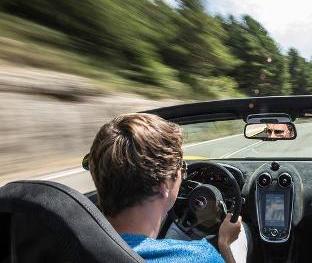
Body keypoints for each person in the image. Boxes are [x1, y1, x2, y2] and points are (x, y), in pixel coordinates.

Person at [88, 113, 249, 263]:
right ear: (163, 185)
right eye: (181, 167)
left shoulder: (70, 244)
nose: (183, 173)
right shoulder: (199, 257)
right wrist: (224, 244)